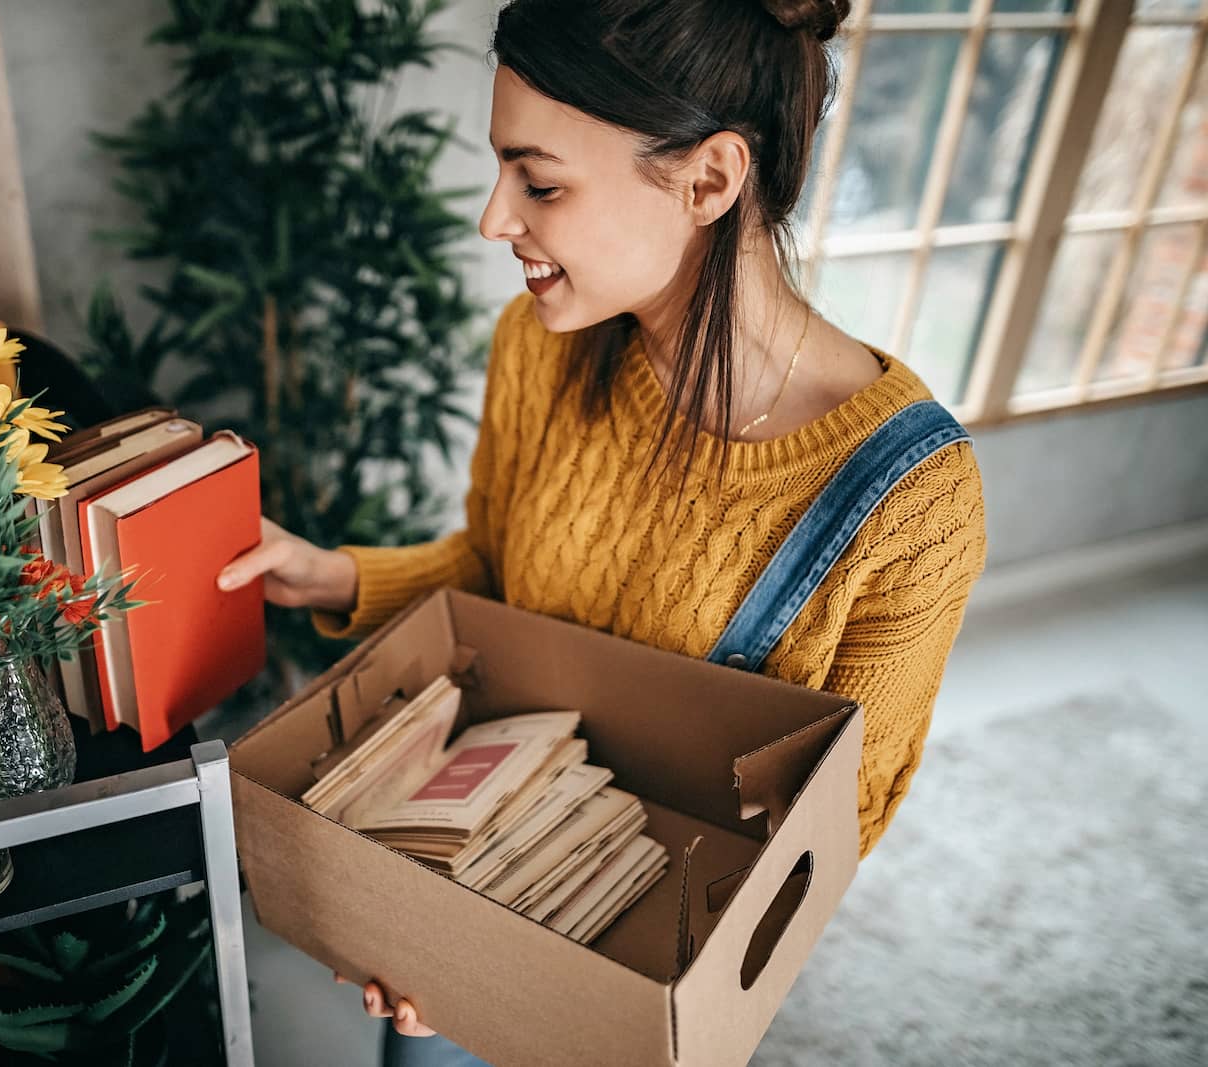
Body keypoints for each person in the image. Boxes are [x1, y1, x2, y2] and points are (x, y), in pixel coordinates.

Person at [216, 0, 988, 1062]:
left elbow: (825, 837)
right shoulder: (538, 347)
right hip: (459, 900)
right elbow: (491, 574)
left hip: (647, 979)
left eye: (538, 182)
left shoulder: (912, 504)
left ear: (709, 180)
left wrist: (537, 984)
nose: (494, 219)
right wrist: (335, 574)